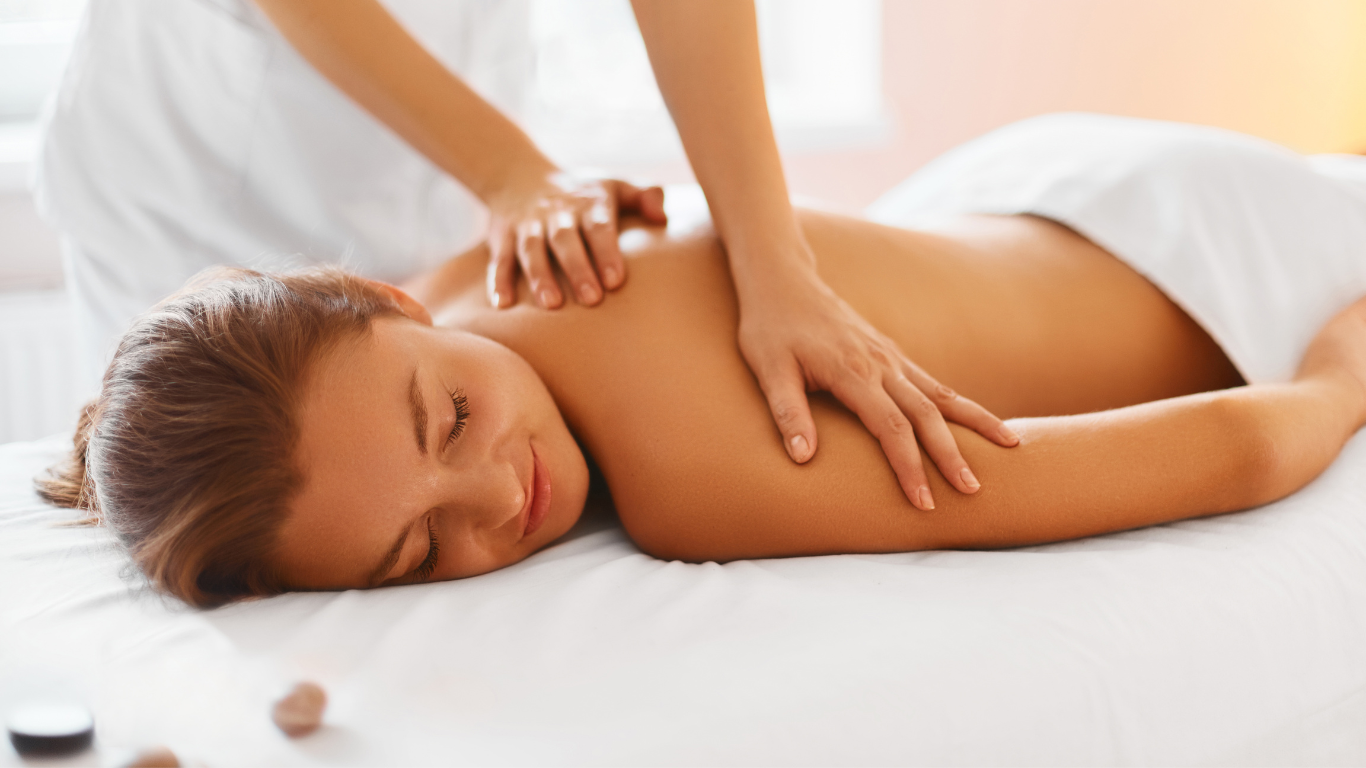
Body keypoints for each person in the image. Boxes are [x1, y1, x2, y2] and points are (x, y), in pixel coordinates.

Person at [37, 114, 1366, 607]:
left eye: (448, 421)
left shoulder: (698, 481)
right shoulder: (490, 265)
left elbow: (1242, 444)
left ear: (385, 297)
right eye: (415, 556)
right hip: (1037, 173)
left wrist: (1338, 374)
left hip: (1213, 268)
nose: (496, 503)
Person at [36, 0, 987, 506]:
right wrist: (511, 174)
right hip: (197, 153)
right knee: (203, 511)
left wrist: (776, 266)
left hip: (431, 168)